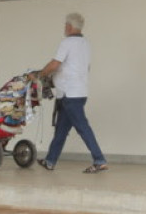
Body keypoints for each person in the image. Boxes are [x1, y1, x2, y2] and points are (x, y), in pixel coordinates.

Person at [31, 13, 108, 173]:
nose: (64, 27)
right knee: (61, 129)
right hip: (78, 92)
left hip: (69, 95)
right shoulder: (85, 43)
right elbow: (83, 67)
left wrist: (39, 75)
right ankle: (50, 161)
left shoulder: (67, 42)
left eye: (65, 25)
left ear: (69, 27)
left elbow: (54, 64)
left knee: (82, 127)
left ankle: (99, 160)